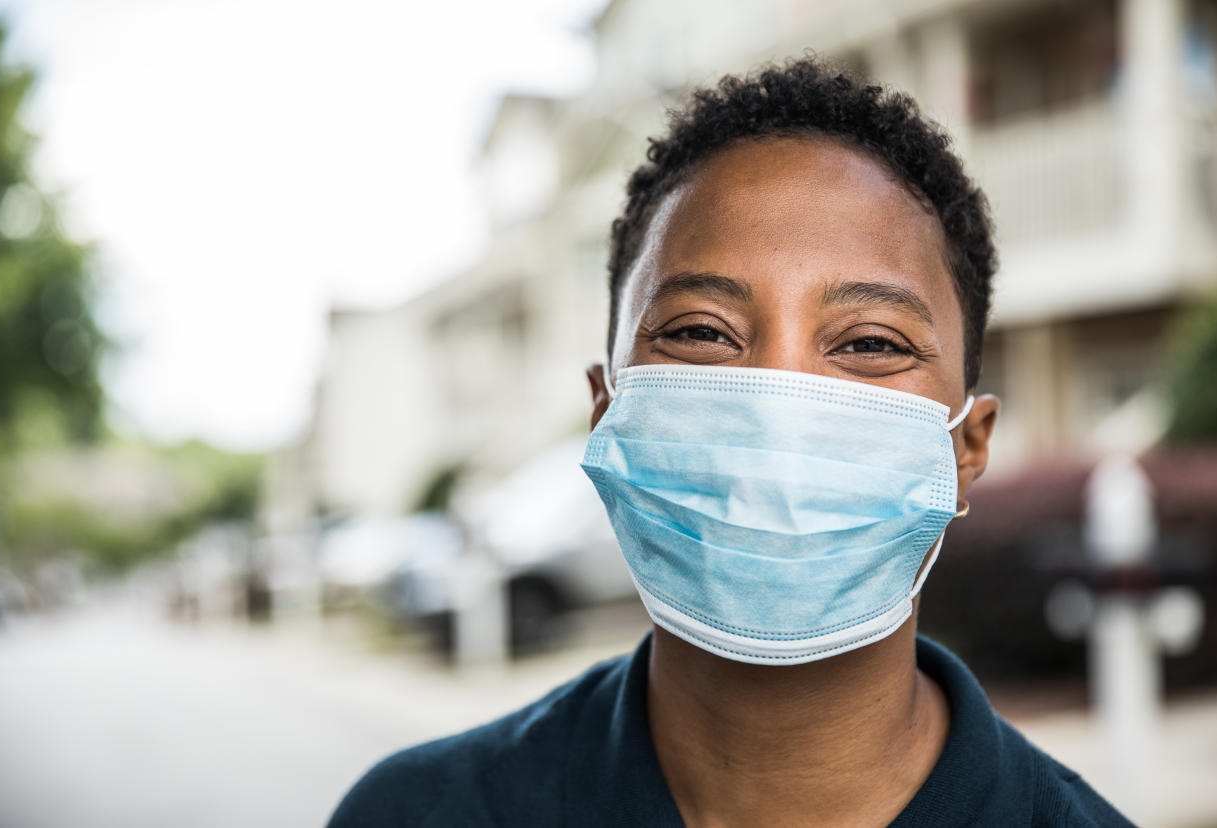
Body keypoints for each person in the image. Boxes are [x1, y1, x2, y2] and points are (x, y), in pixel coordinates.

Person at [328, 57, 1133, 827]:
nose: (777, 406)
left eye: (870, 343)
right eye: (701, 332)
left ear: (967, 447)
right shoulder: (414, 814)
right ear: (606, 409)